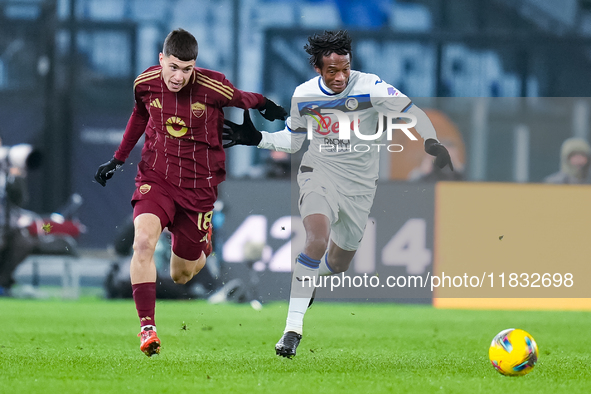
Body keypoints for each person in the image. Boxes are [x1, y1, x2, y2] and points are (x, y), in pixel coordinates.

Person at [223, 30, 452, 358]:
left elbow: (412, 112)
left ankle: (311, 276)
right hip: (319, 175)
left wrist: (431, 141)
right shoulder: (303, 96)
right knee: (315, 240)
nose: (341, 77)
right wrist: (257, 138)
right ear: (317, 68)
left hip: (360, 188)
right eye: (332, 71)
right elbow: (294, 141)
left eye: (345, 68)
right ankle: (292, 329)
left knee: (339, 262)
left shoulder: (372, 88)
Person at [94, 28, 286, 357]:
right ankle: (147, 328)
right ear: (161, 60)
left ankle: (203, 240)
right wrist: (118, 158)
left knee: (182, 274)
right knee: (142, 243)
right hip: (156, 178)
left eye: (187, 69)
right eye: (173, 67)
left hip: (198, 187)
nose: (179, 76)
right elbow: (139, 115)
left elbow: (245, 98)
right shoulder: (144, 83)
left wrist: (269, 106)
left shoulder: (212, 86)